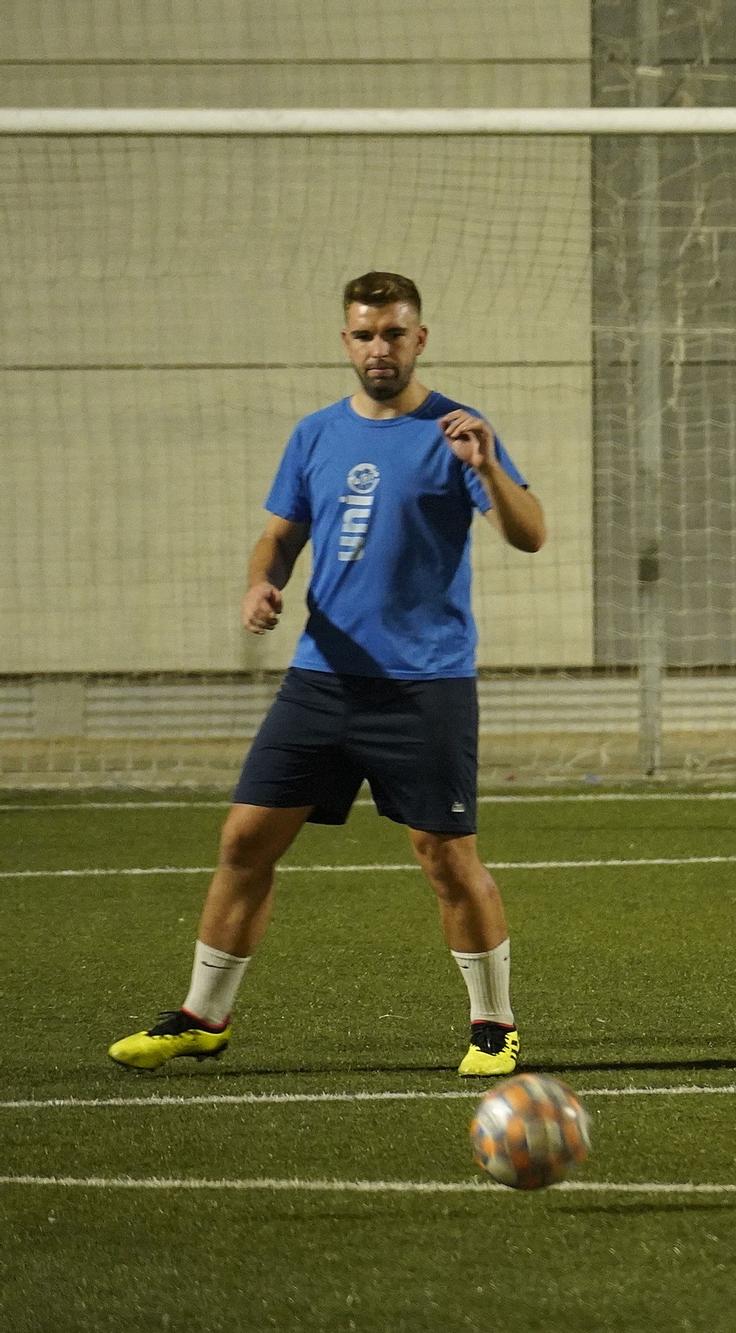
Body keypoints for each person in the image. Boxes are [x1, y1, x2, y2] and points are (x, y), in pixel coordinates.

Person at [108, 271, 547, 1077]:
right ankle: (203, 1016)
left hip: (424, 684)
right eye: (365, 334)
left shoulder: (459, 430)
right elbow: (278, 535)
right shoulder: (315, 435)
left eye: (394, 332)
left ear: (420, 338)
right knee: (244, 840)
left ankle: (494, 1026)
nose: (379, 347)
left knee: (445, 857)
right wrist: (260, 581)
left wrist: (484, 468)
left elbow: (531, 534)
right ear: (346, 341)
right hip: (321, 679)